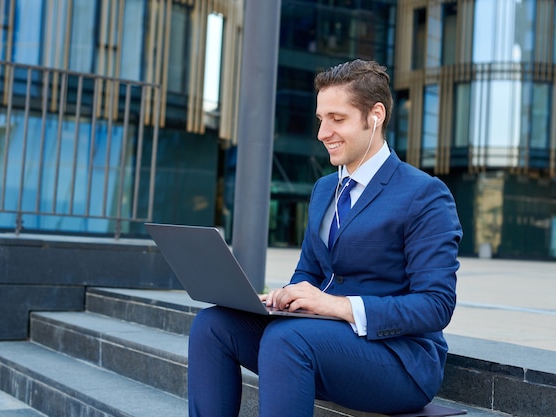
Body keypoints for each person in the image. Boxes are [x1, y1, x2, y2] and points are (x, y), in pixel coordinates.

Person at [187, 59, 463, 417]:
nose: (323, 132)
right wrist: (284, 297)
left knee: (287, 339)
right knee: (212, 325)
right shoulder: (324, 189)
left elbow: (436, 305)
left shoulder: (425, 194)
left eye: (337, 118)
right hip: (320, 340)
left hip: (399, 360)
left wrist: (336, 306)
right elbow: (310, 272)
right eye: (321, 119)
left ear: (374, 116)